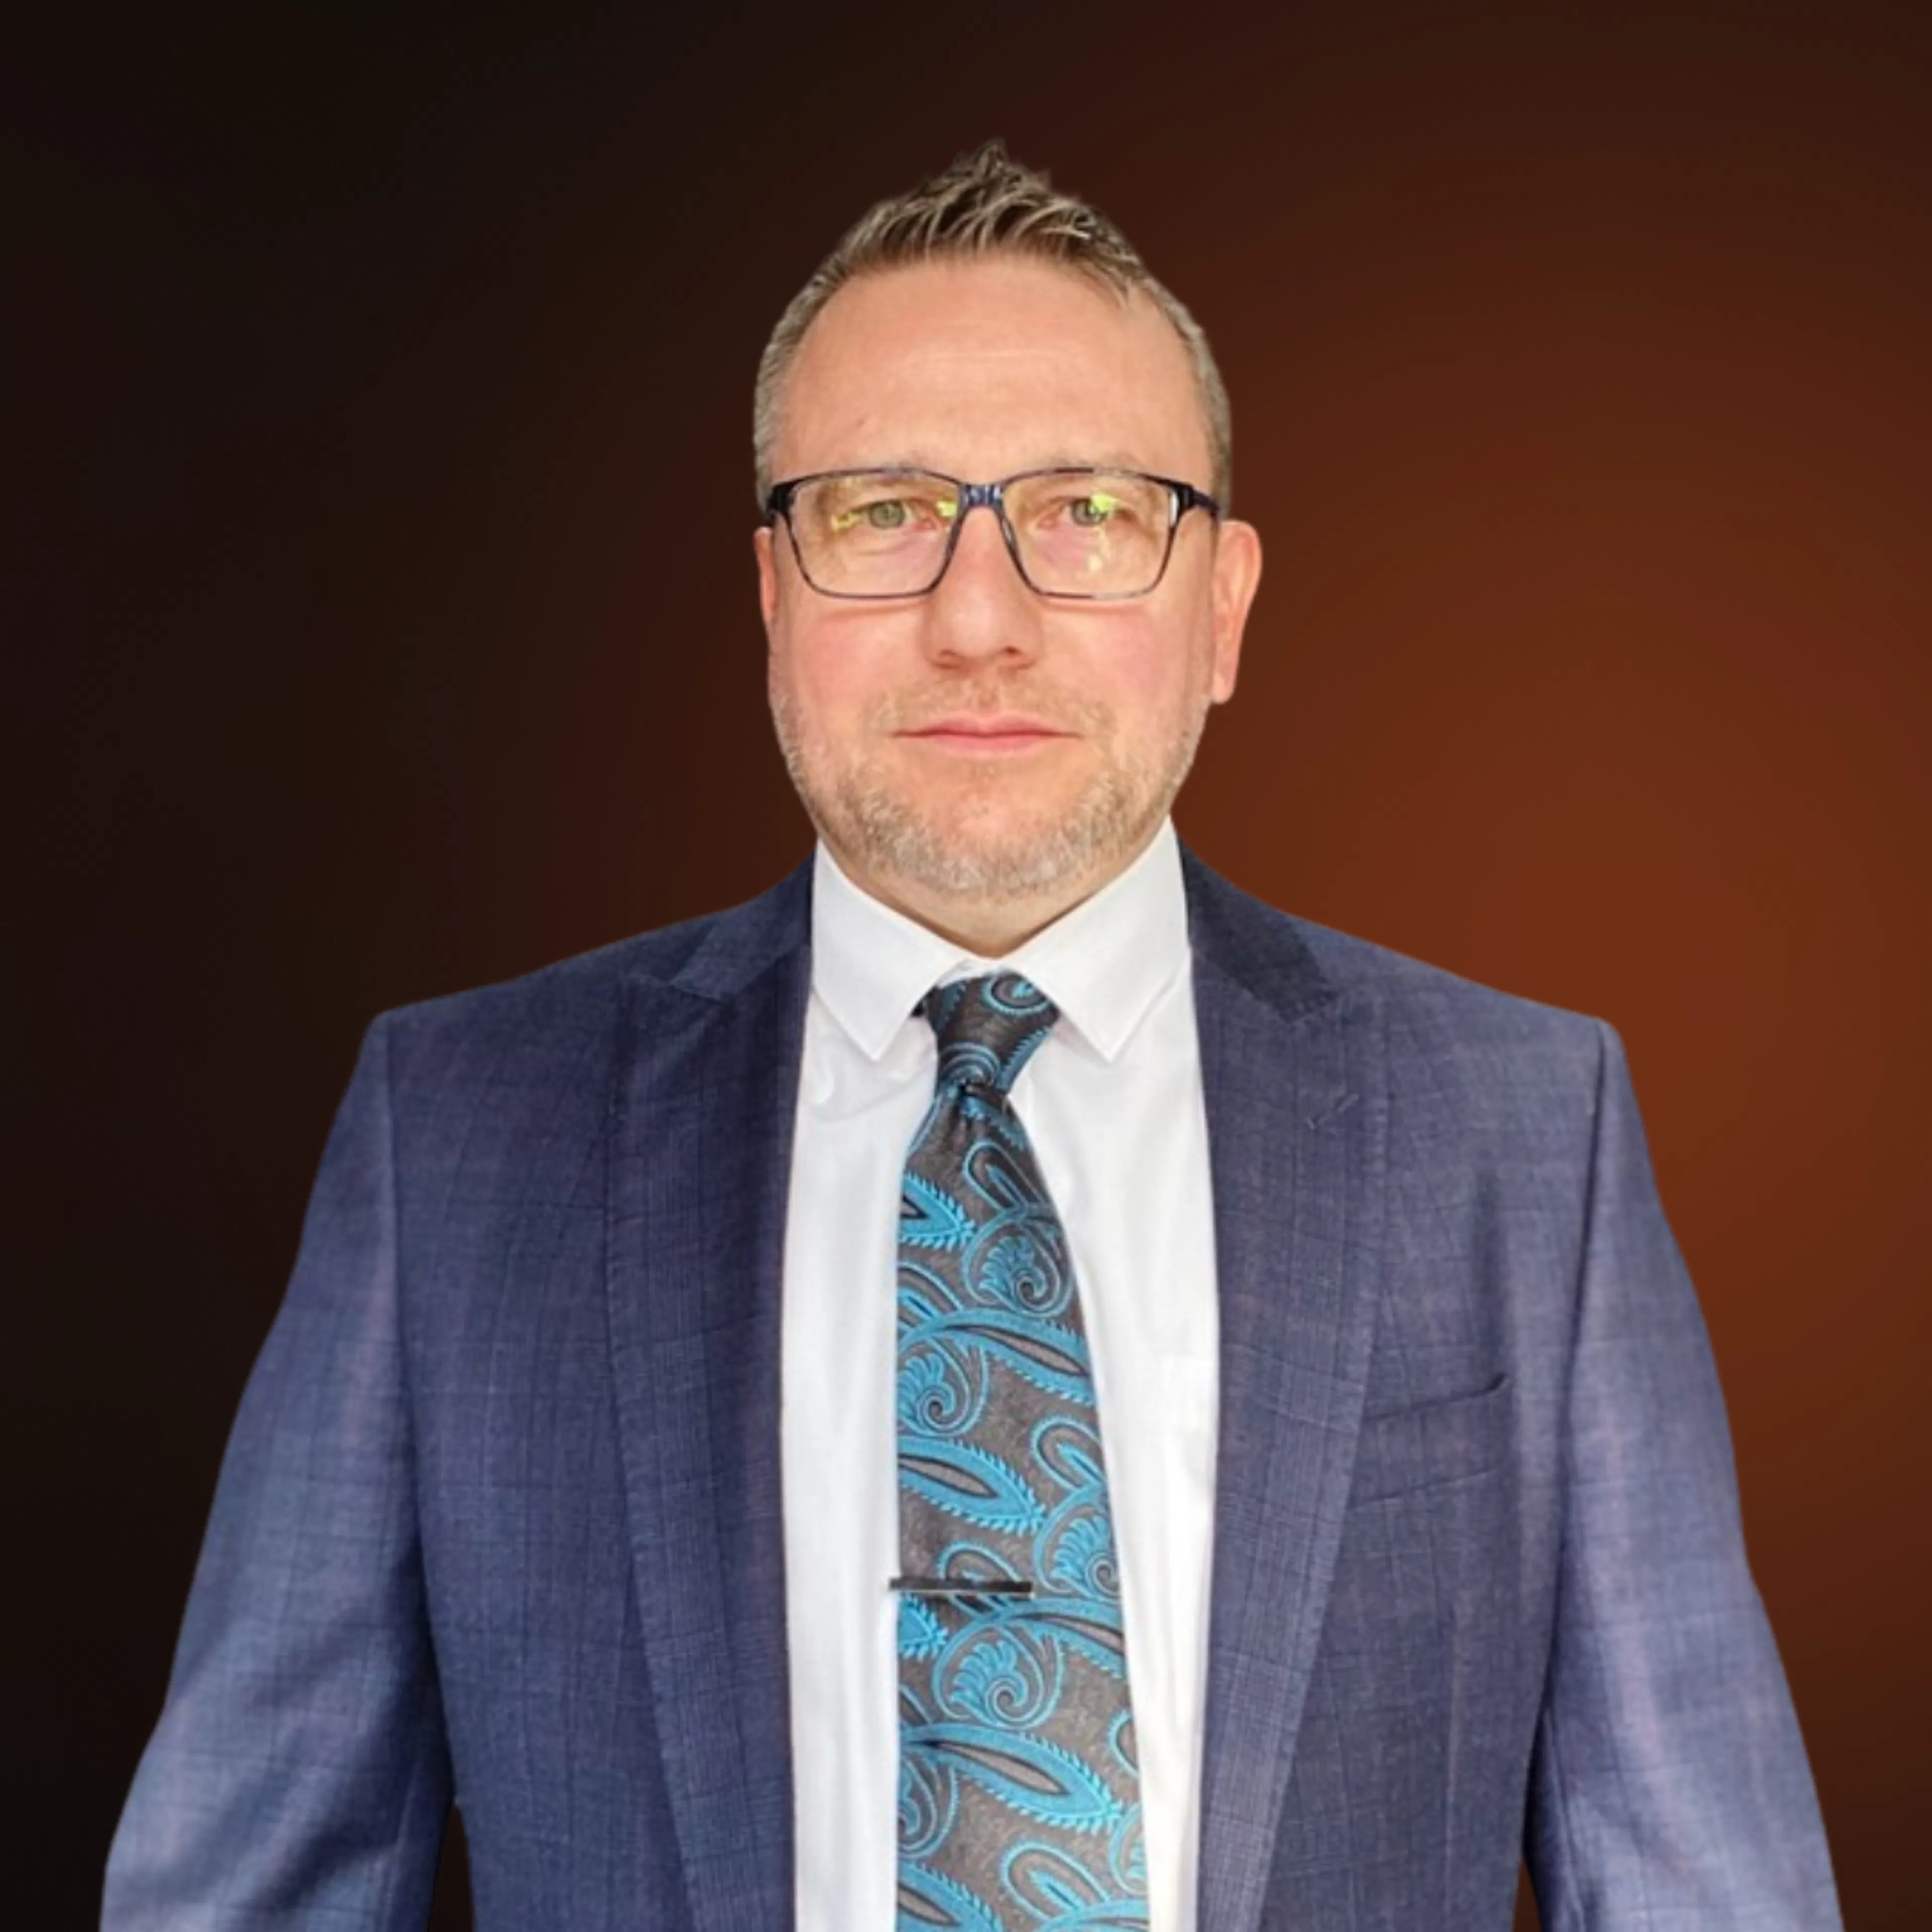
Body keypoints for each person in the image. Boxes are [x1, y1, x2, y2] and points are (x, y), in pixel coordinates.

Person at [104, 142, 1841, 1932]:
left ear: (1224, 611)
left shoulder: (1527, 1133)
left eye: (1090, 512)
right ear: (772, 601)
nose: (981, 619)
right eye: (882, 512)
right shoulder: (457, 1137)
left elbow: (1711, 1888)